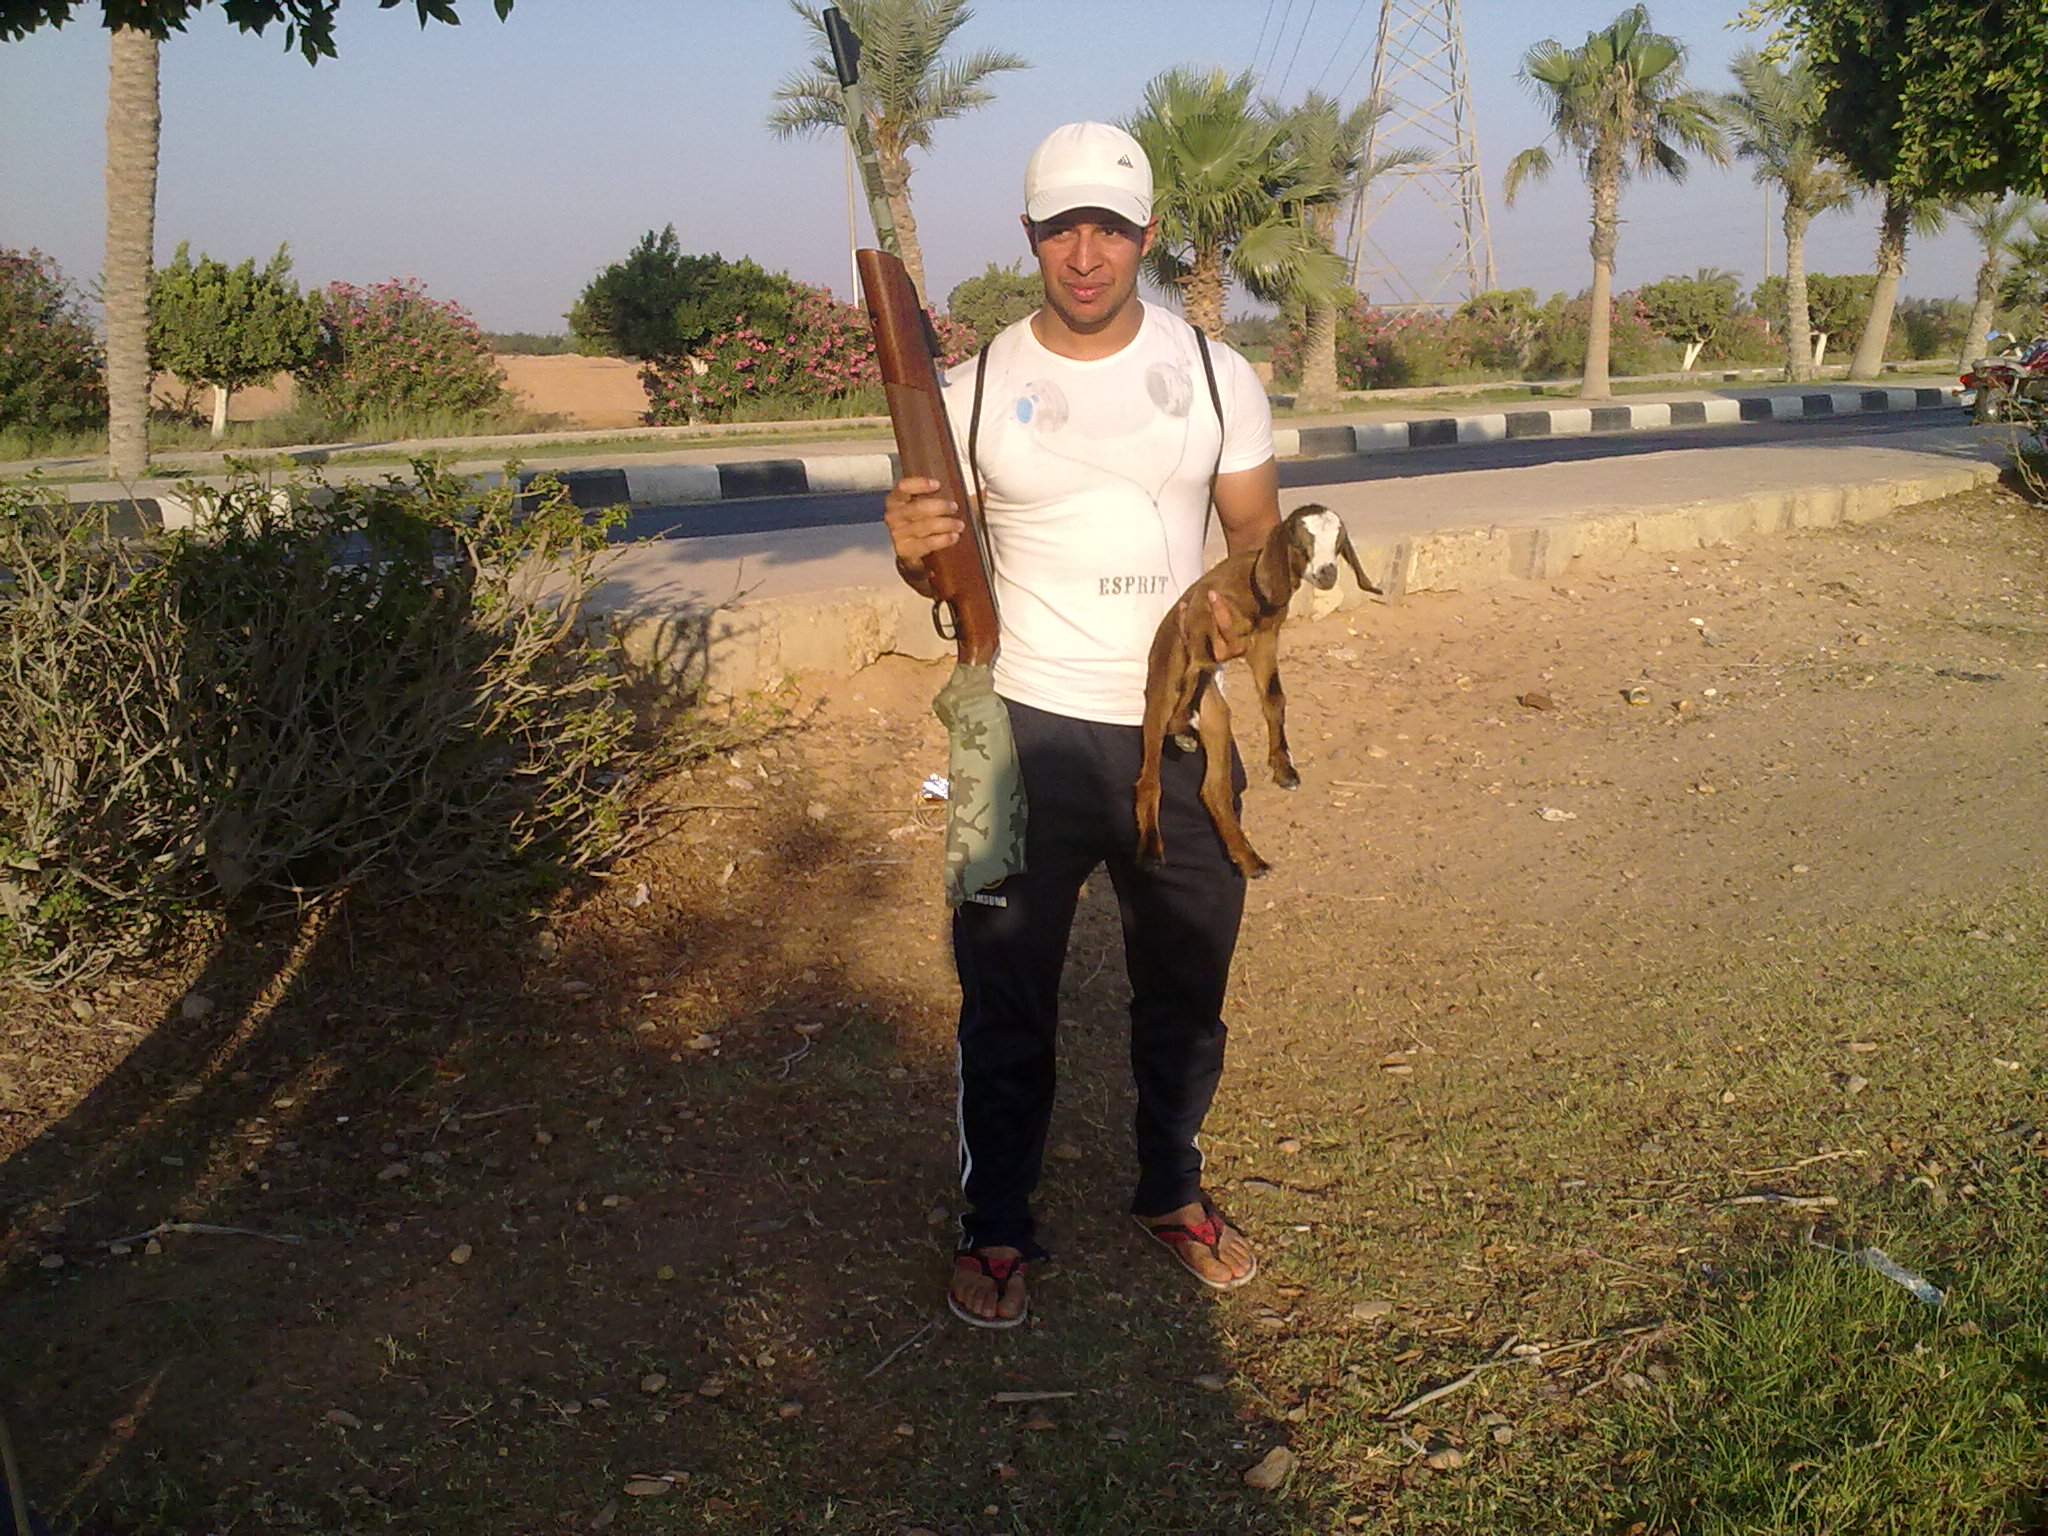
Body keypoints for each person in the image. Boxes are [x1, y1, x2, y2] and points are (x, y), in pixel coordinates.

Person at [882, 121, 1281, 1328]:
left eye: (1109, 227)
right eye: (1063, 228)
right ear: (1030, 238)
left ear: (1146, 234)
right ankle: (996, 1224)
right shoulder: (969, 393)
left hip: (1178, 733)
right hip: (1017, 732)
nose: (1087, 253)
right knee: (1002, 992)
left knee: (1187, 981)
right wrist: (910, 551)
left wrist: (1240, 605)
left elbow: (1257, 542)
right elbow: (940, 574)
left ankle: (1171, 1191)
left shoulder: (1216, 374)